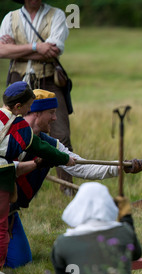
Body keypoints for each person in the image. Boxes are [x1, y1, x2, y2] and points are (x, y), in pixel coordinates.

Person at [5, 88, 142, 269]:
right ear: (37, 112)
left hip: (9, 212)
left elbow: (82, 166)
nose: (55, 118)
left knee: (20, 262)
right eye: (52, 113)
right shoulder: (6, 136)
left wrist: (122, 166)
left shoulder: (51, 145)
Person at [0, 0, 74, 194]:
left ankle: (67, 187)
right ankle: (11, 182)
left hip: (49, 79)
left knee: (61, 133)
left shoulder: (57, 15)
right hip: (19, 81)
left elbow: (54, 50)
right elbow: (1, 51)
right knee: (10, 130)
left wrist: (17, 49)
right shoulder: (10, 17)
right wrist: (36, 47)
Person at [1, 81, 75, 267]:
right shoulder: (20, 128)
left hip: (5, 195)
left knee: (21, 262)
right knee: (1, 233)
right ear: (19, 107)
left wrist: (37, 164)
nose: (28, 112)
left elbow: (16, 165)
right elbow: (41, 147)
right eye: (27, 108)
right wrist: (64, 159)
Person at [51, 182, 142, 274]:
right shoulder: (124, 231)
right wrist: (126, 218)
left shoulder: (62, 244)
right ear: (107, 203)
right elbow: (135, 254)